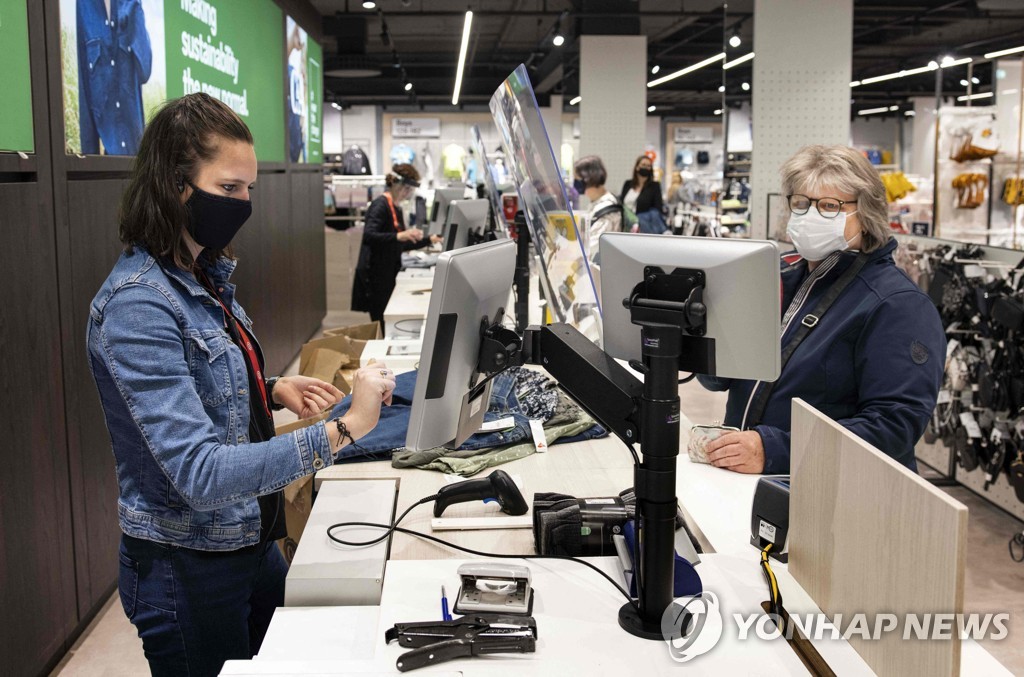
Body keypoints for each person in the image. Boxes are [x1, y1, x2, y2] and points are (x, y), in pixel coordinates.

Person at [87, 93, 397, 676]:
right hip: (189, 566)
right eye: (230, 189)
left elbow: (199, 381)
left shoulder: (201, 276)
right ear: (176, 184)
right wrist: (345, 429)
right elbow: (201, 474)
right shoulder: (138, 306)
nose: (244, 204)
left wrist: (270, 386)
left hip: (248, 539)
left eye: (249, 190)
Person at [698, 144, 945, 475]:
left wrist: (776, 450)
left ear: (866, 213)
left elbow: (894, 426)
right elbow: (719, 380)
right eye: (801, 203)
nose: (810, 215)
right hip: (754, 482)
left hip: (835, 495)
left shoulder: (897, 303)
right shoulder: (780, 278)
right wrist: (704, 330)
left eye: (830, 206)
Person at [351, 164, 440, 328]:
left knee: (385, 321)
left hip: (387, 271)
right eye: (406, 188)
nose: (408, 193)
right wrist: (400, 235)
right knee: (381, 323)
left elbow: (398, 243)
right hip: (376, 275)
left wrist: (430, 239)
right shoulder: (380, 205)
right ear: (395, 184)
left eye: (410, 190)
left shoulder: (395, 207)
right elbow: (370, 236)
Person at [76, 0, 153, 155]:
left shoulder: (131, 4)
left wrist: (134, 10)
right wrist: (89, 160)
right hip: (105, 158)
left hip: (136, 154)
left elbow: (145, 71)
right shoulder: (85, 5)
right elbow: (84, 82)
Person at [573, 155, 622, 262]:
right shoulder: (597, 202)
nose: (575, 184)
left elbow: (593, 247)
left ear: (588, 178)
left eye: (577, 179)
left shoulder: (607, 209)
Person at [619, 154, 667, 233]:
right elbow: (621, 203)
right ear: (637, 167)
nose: (646, 167)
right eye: (643, 165)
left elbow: (658, 208)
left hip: (645, 221)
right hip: (627, 220)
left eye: (648, 166)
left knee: (645, 216)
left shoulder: (654, 186)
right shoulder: (627, 184)